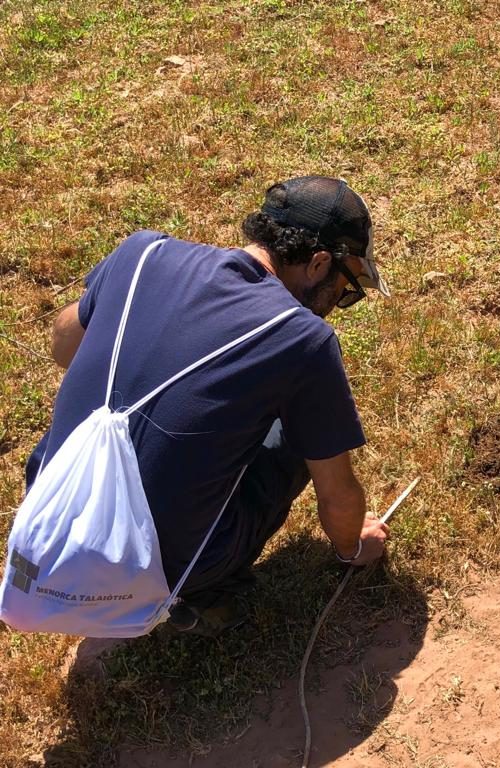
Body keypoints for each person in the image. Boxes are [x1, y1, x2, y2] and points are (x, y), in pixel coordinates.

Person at [26, 176, 391, 636]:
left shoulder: (142, 255)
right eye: (345, 290)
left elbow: (64, 347)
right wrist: (353, 547)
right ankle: (196, 592)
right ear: (319, 263)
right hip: (154, 570)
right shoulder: (302, 338)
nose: (337, 305)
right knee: (302, 438)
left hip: (46, 527)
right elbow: (336, 493)